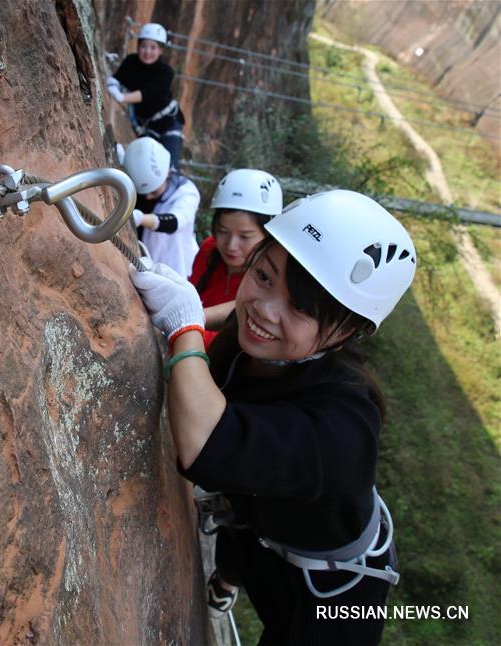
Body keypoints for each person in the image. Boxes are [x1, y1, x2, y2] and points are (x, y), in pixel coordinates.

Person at [131, 190, 416, 644]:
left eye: (301, 308)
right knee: (238, 541)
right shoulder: (269, 340)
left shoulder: (342, 429)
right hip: (264, 528)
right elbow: (242, 312)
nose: (265, 309)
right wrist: (197, 313)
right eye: (263, 275)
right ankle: (224, 586)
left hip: (331, 603)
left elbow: (204, 444)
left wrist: (185, 328)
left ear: (343, 333)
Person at [190, 169, 283, 348]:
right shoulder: (210, 250)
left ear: (269, 235)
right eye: (223, 232)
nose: (231, 245)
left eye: (245, 236)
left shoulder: (270, 282)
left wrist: (185, 325)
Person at [107, 22, 185, 167]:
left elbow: (148, 93)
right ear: (138, 46)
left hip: (167, 124)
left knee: (169, 167)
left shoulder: (165, 72)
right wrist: (112, 84)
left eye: (153, 47)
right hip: (145, 127)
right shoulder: (131, 62)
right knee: (147, 166)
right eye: (143, 46)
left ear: (161, 50)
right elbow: (117, 78)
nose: (147, 52)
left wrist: (123, 97)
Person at [123, 137, 200, 278]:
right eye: (143, 194)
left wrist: (140, 218)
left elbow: (174, 221)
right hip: (146, 263)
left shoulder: (186, 193)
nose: (148, 198)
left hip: (177, 269)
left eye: (154, 192)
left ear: (167, 174)